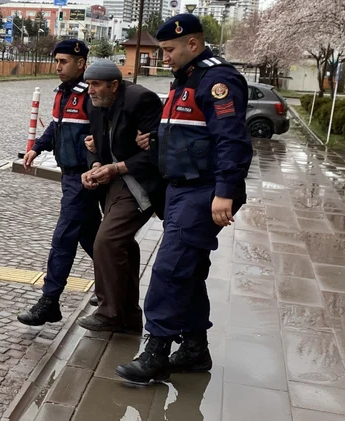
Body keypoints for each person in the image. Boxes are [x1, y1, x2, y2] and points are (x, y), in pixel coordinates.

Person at [115, 15, 253, 383]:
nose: (164, 57)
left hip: (203, 190)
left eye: (169, 50)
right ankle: (194, 349)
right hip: (182, 190)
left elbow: (231, 141)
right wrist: (155, 141)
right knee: (188, 271)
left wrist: (225, 191)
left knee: (169, 269)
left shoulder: (217, 80)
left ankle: (156, 351)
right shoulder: (186, 80)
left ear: (193, 44)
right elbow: (192, 133)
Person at [75, 60, 165, 333]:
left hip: (140, 183)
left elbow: (155, 152)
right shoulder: (93, 103)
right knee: (122, 245)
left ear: (114, 85)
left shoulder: (142, 100)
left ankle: (109, 311)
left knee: (107, 240)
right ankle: (128, 315)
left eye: (96, 85)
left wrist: (115, 168)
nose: (90, 90)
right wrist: (93, 167)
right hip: (113, 184)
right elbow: (93, 143)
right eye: (89, 84)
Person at [18, 39, 102, 326]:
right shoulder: (62, 94)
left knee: (64, 237)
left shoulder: (89, 94)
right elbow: (56, 125)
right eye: (56, 61)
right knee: (91, 236)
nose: (58, 67)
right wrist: (37, 147)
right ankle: (113, 287)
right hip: (69, 175)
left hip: (84, 177)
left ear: (81, 64)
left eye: (63, 61)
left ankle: (50, 301)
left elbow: (105, 130)